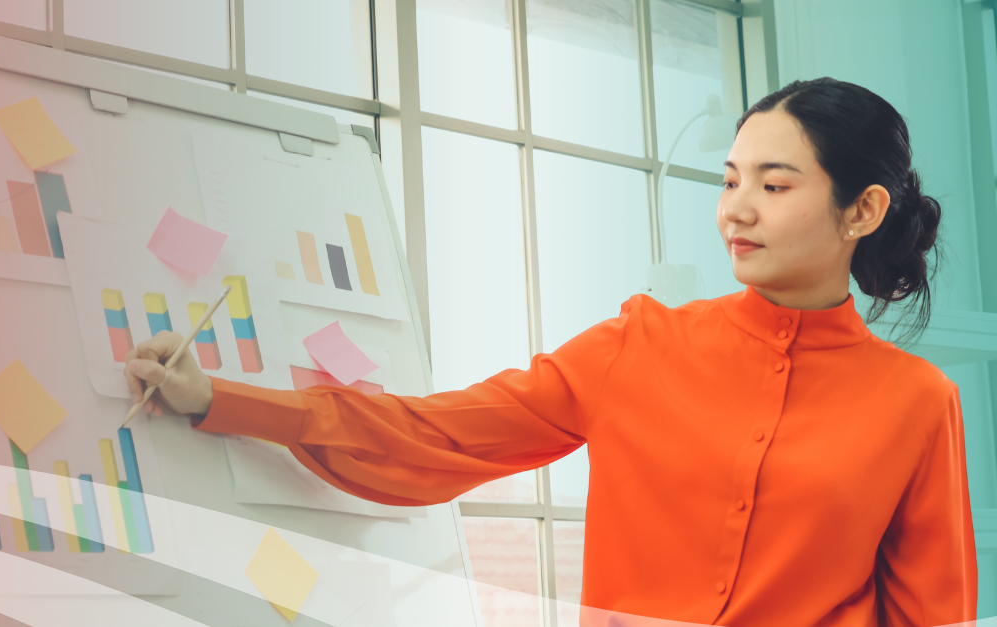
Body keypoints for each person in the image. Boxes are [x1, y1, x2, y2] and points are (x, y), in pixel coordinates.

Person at [124, 77, 976, 626]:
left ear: (861, 210)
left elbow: (928, 616)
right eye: (729, 179)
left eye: (774, 185)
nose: (736, 210)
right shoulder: (638, 345)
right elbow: (434, 434)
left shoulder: (917, 400)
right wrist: (218, 401)